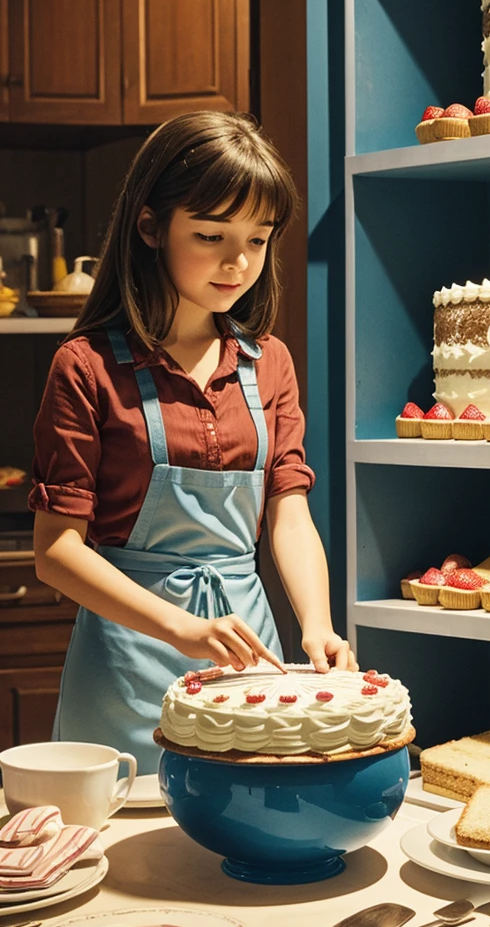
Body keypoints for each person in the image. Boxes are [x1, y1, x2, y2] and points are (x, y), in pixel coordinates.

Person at [30, 110, 357, 774]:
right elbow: (56, 552)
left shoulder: (270, 364)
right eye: (210, 235)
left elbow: (286, 512)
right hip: (126, 665)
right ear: (151, 227)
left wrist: (316, 624)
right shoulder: (86, 366)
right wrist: (184, 629)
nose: (238, 262)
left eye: (257, 240)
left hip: (248, 658)